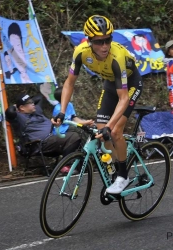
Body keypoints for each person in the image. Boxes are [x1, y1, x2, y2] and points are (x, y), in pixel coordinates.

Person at [52, 15, 143, 194]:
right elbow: (69, 83)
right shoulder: (80, 52)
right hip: (110, 84)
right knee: (103, 134)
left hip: (131, 84)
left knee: (115, 130)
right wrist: (62, 112)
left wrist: (110, 126)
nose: (104, 46)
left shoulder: (117, 57)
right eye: (99, 42)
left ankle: (123, 176)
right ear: (89, 40)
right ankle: (116, 168)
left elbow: (123, 98)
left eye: (108, 40)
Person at [5, 93, 81, 174]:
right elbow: (9, 111)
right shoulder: (19, 117)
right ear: (22, 108)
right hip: (42, 143)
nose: (33, 104)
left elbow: (39, 97)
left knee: (79, 130)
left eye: (32, 102)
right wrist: (15, 106)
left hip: (54, 136)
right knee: (74, 136)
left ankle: (80, 165)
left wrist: (28, 103)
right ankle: (65, 166)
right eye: (29, 103)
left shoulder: (36, 110)